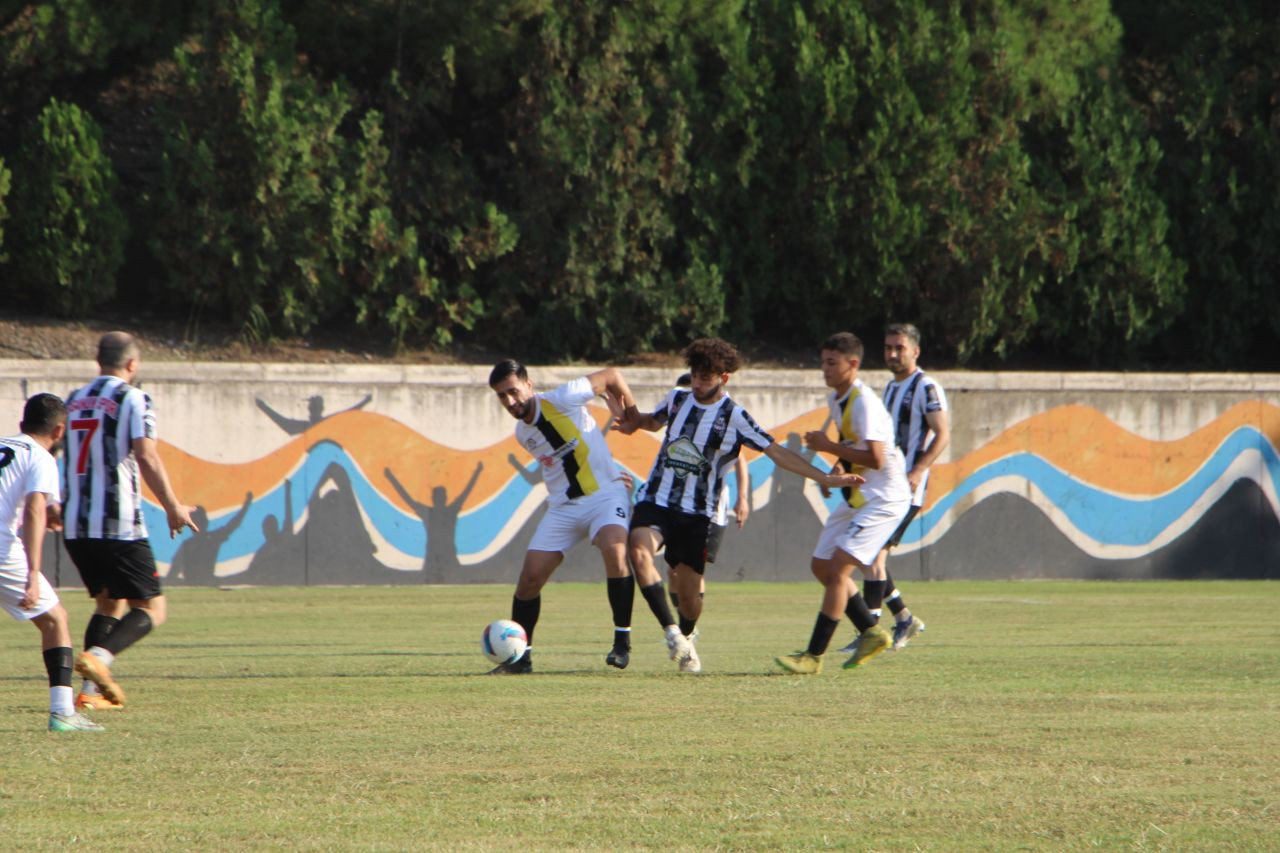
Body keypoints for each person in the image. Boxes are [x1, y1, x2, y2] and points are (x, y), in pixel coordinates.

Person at [616, 338, 862, 673]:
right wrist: (635, 423)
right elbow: (652, 420)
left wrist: (824, 477)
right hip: (658, 499)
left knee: (689, 599)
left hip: (698, 514)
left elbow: (776, 452)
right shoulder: (677, 399)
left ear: (724, 378)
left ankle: (686, 635)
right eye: (695, 375)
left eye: (707, 376)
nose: (699, 382)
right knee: (639, 550)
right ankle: (671, 632)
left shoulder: (735, 416)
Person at [63, 331, 198, 709]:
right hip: (118, 524)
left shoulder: (73, 401)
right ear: (133, 364)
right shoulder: (133, 398)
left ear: (98, 361)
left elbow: (61, 452)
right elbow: (147, 456)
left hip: (77, 525)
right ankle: (98, 659)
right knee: (151, 609)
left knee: (109, 604)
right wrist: (172, 505)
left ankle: (89, 696)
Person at [487, 360, 642, 674]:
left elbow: (612, 375)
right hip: (564, 508)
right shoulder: (522, 433)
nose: (510, 401)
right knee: (530, 578)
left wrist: (633, 415)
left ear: (529, 385)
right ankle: (520, 659)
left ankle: (622, 643)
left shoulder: (562, 397)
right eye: (502, 396)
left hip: (604, 496)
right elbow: (563, 463)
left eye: (513, 391)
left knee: (615, 549)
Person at [775, 331, 912, 675]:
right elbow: (855, 446)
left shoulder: (864, 401)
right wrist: (835, 470)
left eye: (832, 363)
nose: (825, 369)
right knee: (821, 567)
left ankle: (813, 656)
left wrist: (828, 447)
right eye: (823, 362)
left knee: (837, 570)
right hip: (858, 493)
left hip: (883, 499)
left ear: (853, 364)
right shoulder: (839, 399)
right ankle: (871, 632)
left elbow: (878, 458)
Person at [839, 322, 948, 654]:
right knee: (871, 557)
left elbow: (942, 434)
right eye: (888, 348)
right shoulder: (889, 388)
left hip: (907, 488)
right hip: (883, 486)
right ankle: (902, 618)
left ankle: (869, 631)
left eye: (899, 348)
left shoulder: (927, 387)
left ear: (915, 351)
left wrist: (918, 469)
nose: (893, 354)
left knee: (872, 556)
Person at [0, 394, 103, 731]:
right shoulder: (41, 457)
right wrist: (31, 572)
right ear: (60, 430)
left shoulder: (6, 447)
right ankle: (63, 713)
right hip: (2, 548)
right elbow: (33, 509)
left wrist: (51, 508)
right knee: (55, 619)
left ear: (21, 423)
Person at [660, 374, 750, 623]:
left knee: (693, 572)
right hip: (676, 504)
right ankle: (682, 626)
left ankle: (688, 631)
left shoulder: (725, 418)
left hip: (710, 507)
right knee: (672, 570)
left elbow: (741, 458)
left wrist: (742, 498)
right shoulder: (679, 417)